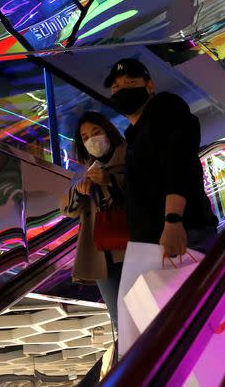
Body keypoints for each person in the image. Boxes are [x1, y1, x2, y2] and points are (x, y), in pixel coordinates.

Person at [105, 58, 219, 256]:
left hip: (182, 233)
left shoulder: (165, 107)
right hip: (153, 242)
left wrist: (173, 220)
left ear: (149, 85)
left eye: (130, 83)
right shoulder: (132, 135)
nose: (121, 90)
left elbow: (180, 163)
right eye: (115, 87)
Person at [60, 111, 126, 332]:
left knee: (147, 308)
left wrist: (111, 181)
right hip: (102, 255)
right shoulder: (84, 171)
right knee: (119, 318)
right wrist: (80, 191)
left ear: (108, 131)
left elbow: (146, 191)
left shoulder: (131, 156)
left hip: (133, 246)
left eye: (95, 133)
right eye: (85, 137)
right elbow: (67, 208)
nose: (91, 140)